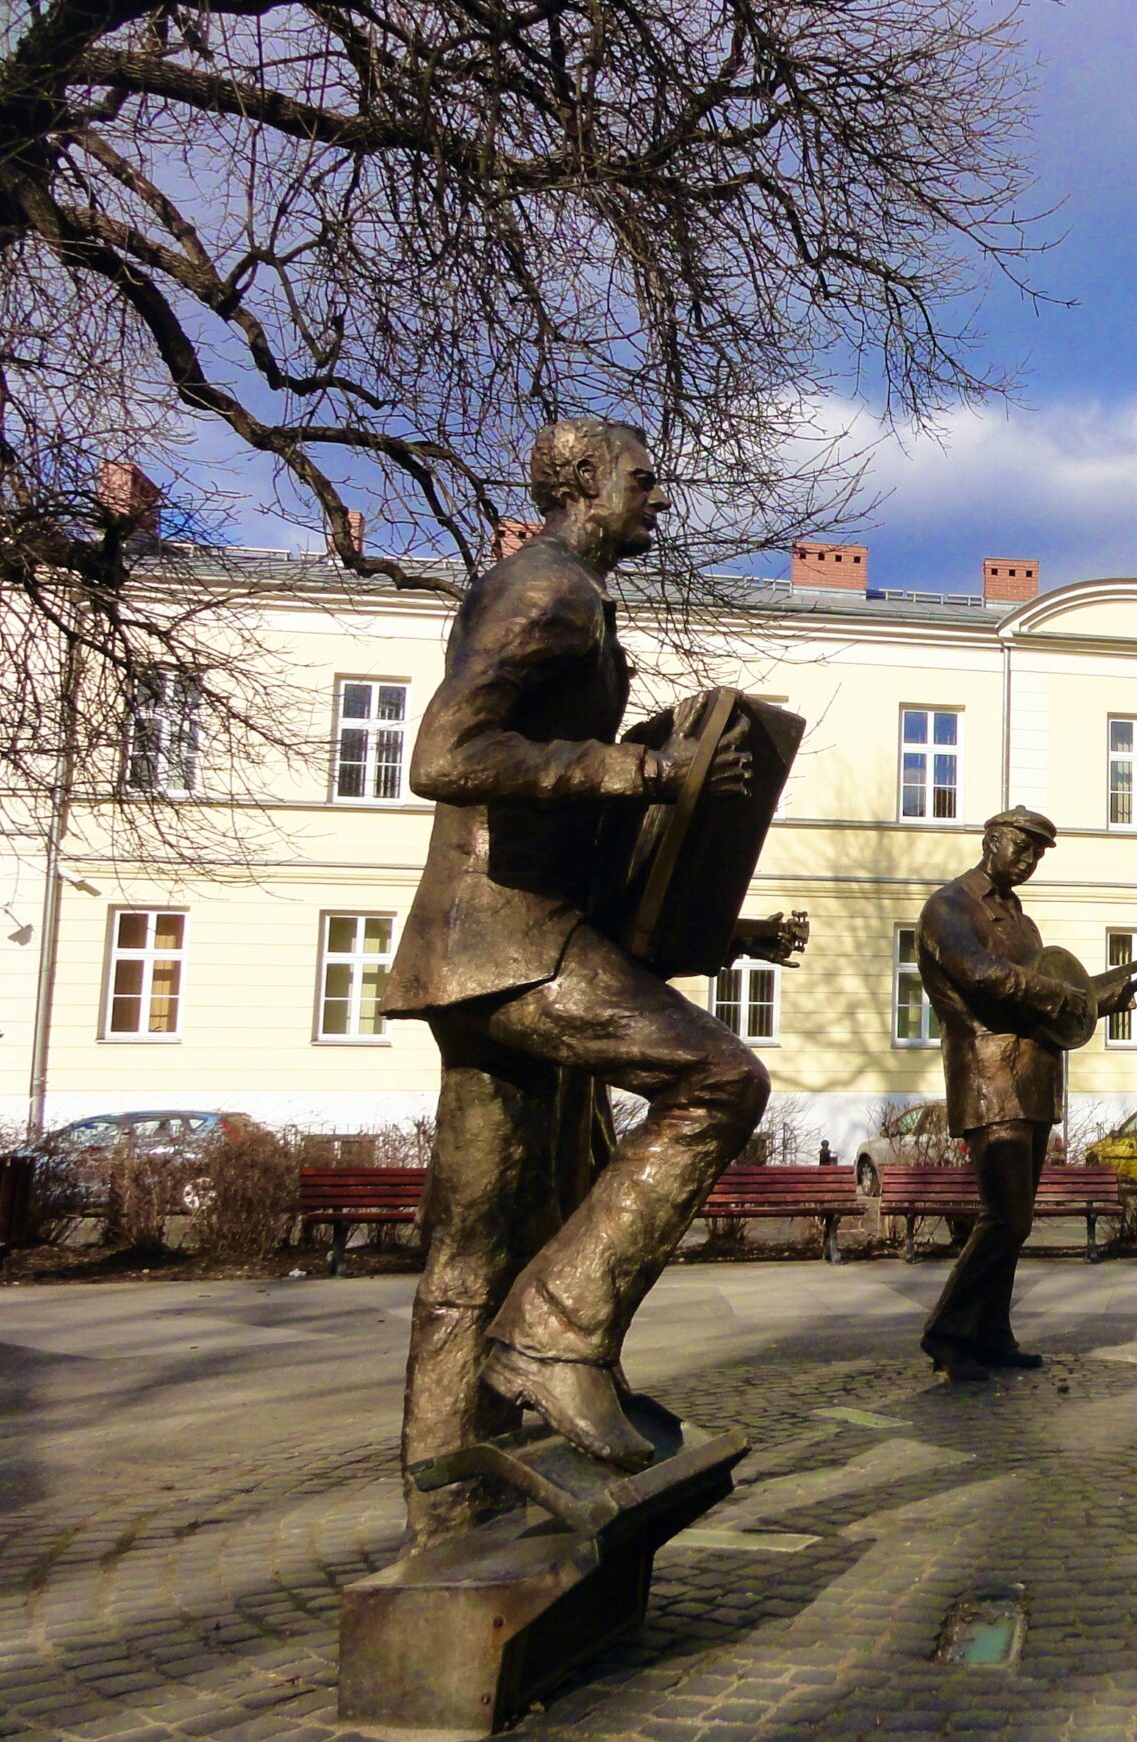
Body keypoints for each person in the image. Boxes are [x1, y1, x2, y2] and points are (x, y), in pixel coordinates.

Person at [381, 416, 802, 1545]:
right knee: (721, 1078)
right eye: (643, 478)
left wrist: (728, 925)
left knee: (475, 1238)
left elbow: (582, 831)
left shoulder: (572, 595)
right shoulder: (547, 593)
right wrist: (625, 766)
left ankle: (447, 1505)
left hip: (494, 940)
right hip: (509, 936)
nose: (659, 496)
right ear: (585, 485)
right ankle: (555, 1332)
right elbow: (445, 754)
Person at [916, 809, 1137, 1380]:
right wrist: (1063, 994)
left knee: (1017, 1218)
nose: (1027, 861)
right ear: (990, 840)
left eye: (1038, 854)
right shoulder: (950, 907)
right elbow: (981, 975)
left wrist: (1106, 995)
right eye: (1021, 848)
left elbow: (1047, 998)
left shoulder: (1020, 921)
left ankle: (993, 1335)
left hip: (1032, 1075)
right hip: (988, 1073)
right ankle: (948, 1334)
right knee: (1004, 1215)